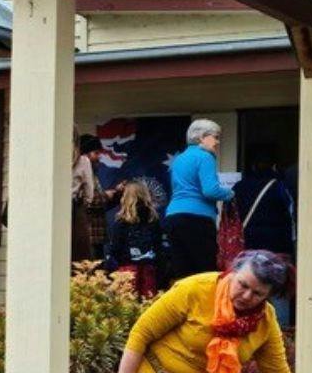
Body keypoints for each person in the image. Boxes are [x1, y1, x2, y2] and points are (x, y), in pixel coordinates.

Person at [109, 249, 296, 373]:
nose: (247, 295)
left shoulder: (266, 322)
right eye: (243, 285)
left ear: (268, 296)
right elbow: (140, 334)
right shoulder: (195, 289)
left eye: (258, 293)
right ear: (232, 272)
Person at [162, 119, 233, 285]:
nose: (217, 142)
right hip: (197, 219)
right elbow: (210, 190)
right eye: (215, 137)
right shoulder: (205, 156)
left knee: (183, 273)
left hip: (173, 217)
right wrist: (230, 193)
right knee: (205, 273)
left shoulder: (180, 159)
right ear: (202, 138)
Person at [232, 145, 294, 258]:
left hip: (248, 240)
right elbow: (290, 211)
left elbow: (230, 215)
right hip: (277, 242)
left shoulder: (239, 187)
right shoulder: (280, 186)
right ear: (274, 166)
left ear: (252, 166)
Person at [103, 179, 162, 297]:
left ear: (126, 198)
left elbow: (115, 248)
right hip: (149, 268)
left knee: (127, 304)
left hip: (127, 269)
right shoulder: (153, 219)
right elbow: (158, 245)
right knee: (148, 301)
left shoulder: (121, 222)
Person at [71, 134, 109, 261]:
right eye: (96, 153)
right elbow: (89, 199)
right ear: (86, 154)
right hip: (87, 234)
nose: (99, 157)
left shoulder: (94, 175)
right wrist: (106, 196)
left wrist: (115, 194)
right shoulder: (83, 166)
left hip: (96, 236)